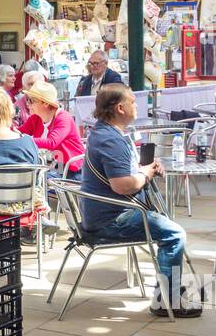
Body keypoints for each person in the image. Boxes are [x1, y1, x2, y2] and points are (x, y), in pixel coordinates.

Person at [79, 83, 200, 318]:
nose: (137, 105)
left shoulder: (105, 132)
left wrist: (145, 167)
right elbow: (123, 185)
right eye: (133, 101)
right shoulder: (111, 140)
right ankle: (166, 300)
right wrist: (146, 173)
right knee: (174, 235)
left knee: (167, 228)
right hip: (112, 220)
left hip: (107, 213)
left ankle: (170, 289)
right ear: (121, 108)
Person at [20, 80, 85, 174]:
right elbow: (19, 132)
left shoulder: (63, 117)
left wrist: (25, 140)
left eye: (31, 100)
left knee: (35, 181)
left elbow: (52, 142)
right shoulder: (35, 118)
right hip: (51, 165)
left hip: (69, 169)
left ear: (45, 103)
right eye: (27, 99)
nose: (27, 104)